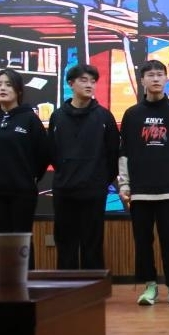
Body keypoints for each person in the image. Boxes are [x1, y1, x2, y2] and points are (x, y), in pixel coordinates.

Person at [118, 60, 169, 306]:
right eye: (150, 75)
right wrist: (124, 184)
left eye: (160, 75)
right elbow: (124, 152)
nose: (155, 79)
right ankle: (150, 286)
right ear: (142, 80)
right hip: (140, 191)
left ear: (166, 79)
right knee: (143, 242)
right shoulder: (132, 114)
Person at [47, 64, 119, 270]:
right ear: (71, 84)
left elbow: (113, 154)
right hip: (64, 190)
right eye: (83, 80)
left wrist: (99, 180)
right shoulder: (57, 116)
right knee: (65, 244)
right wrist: (66, 172)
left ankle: (93, 286)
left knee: (92, 245)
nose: (89, 85)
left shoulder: (104, 116)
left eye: (93, 81)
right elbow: (52, 151)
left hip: (94, 190)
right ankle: (68, 287)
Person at [0, 68, 49, 269]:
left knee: (22, 240)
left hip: (22, 191)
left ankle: (26, 281)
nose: (2, 88)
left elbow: (43, 153)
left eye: (8, 84)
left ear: (19, 90)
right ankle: (6, 282)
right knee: (2, 240)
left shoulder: (30, 119)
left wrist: (32, 176)